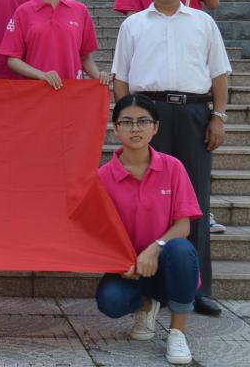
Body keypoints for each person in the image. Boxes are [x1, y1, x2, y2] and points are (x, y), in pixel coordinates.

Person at [111, 0, 232, 317]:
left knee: (195, 201)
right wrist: (131, 121)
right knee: (149, 199)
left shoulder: (202, 22)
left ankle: (195, 289)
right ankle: (149, 285)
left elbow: (219, 73)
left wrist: (218, 117)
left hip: (194, 113)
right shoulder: (133, 25)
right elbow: (121, 78)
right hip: (150, 114)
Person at [96, 94, 201, 365]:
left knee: (181, 250)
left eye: (143, 121)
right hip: (128, 269)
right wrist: (119, 261)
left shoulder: (173, 167)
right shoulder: (103, 177)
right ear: (116, 128)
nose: (135, 128)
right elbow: (98, 231)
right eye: (127, 122)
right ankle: (145, 305)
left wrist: (156, 248)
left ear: (155, 127)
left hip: (166, 264)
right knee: (110, 301)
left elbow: (183, 225)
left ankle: (177, 332)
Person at [0, 0, 109, 89]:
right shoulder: (23, 12)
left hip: (72, 92)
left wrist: (99, 77)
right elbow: (13, 59)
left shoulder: (80, 11)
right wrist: (42, 75)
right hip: (35, 93)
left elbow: (85, 57)